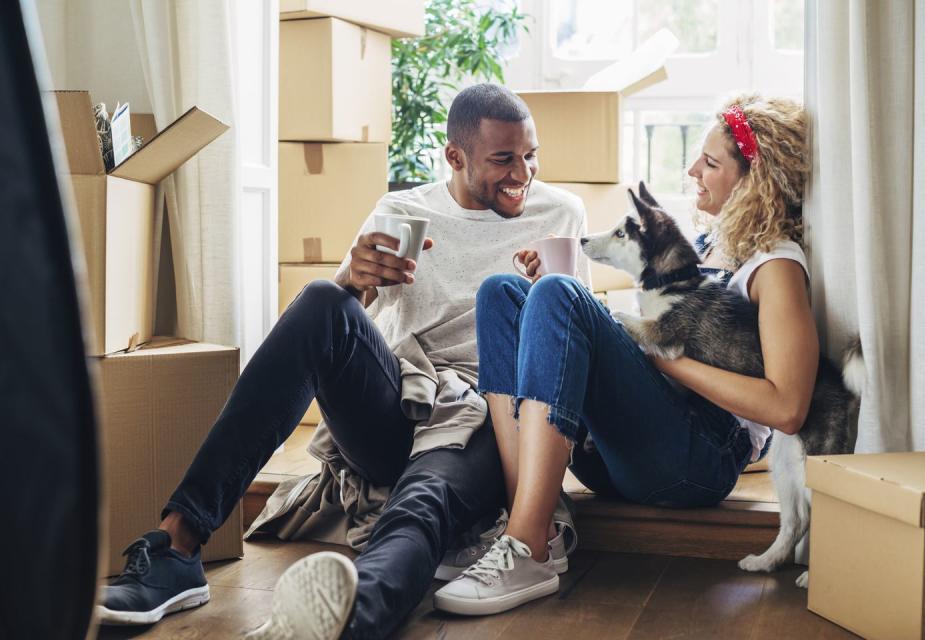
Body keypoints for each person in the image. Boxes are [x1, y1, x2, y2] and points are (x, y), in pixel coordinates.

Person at [97, 84, 590, 639]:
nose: (522, 172)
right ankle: (178, 544)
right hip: (401, 400)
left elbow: (568, 344)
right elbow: (338, 323)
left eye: (531, 155)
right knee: (320, 300)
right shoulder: (402, 211)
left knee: (422, 498)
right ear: (455, 156)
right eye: (504, 158)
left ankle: (343, 621)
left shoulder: (561, 213)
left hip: (488, 417)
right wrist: (353, 281)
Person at [433, 94, 815, 615]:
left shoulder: (774, 266)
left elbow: (787, 407)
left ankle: (528, 546)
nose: (692, 169)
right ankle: (532, 519)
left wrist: (659, 355)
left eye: (711, 162)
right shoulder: (707, 245)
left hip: (695, 458)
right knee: (501, 292)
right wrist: (571, 316)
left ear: (755, 180)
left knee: (560, 295)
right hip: (623, 452)